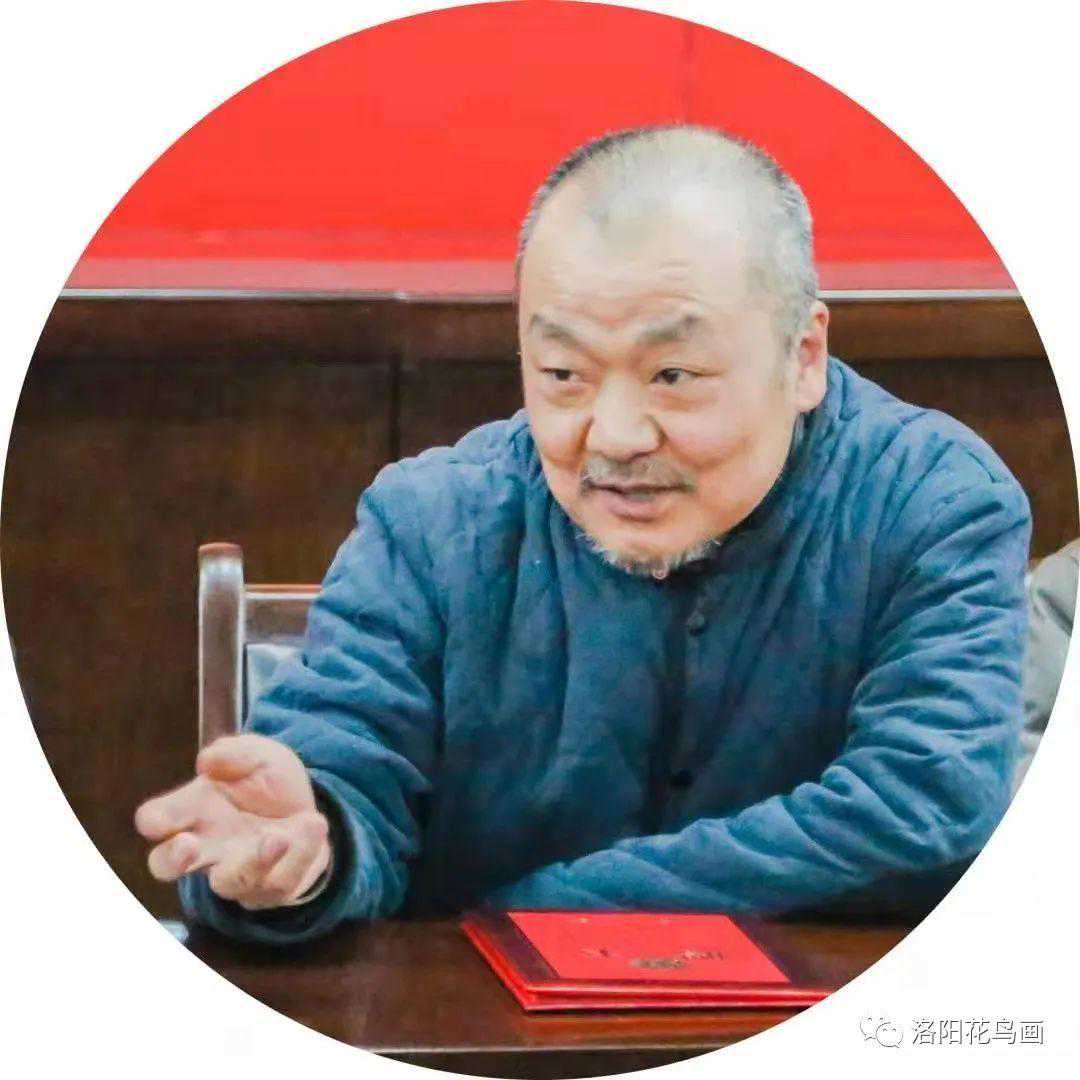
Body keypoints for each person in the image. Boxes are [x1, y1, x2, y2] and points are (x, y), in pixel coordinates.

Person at [134, 125, 1032, 944]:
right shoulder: (433, 524)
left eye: (673, 374)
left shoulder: (931, 504)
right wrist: (299, 857)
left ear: (803, 358)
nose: (614, 436)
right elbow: (328, 783)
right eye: (563, 373)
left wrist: (540, 911)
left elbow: (926, 806)